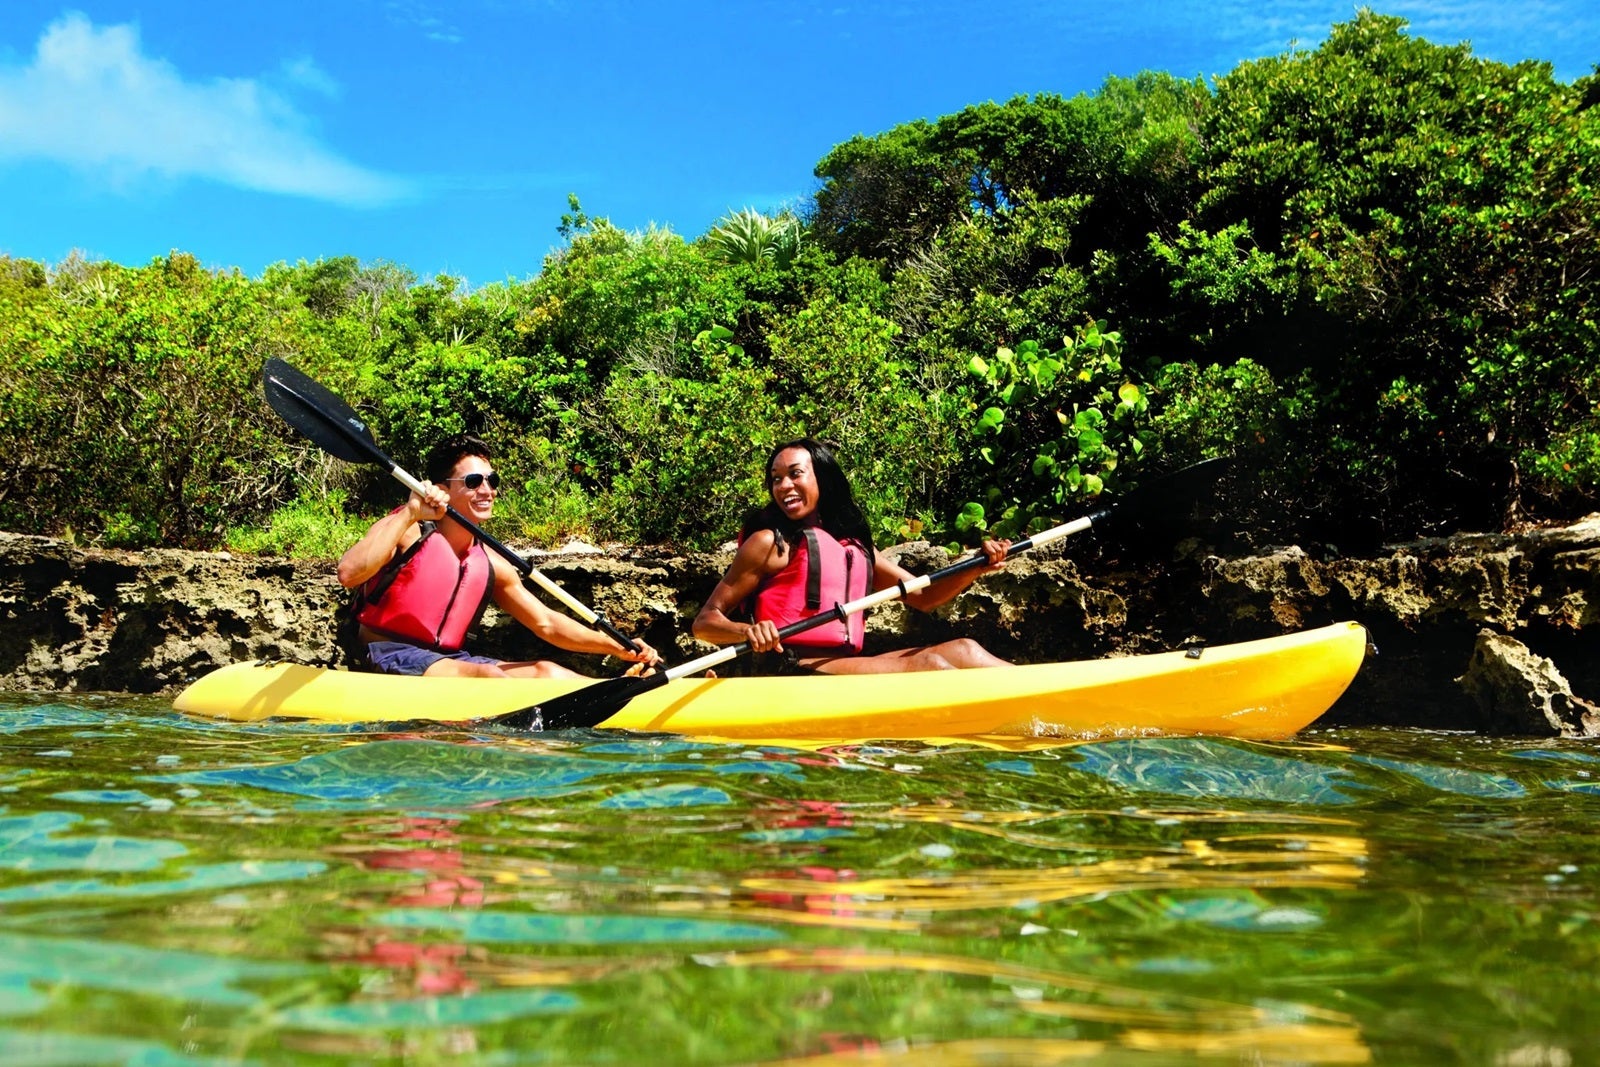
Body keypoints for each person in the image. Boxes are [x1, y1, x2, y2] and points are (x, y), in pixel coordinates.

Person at [337, 433, 659, 678]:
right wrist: (410, 513)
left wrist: (618, 647)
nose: (487, 490)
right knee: (489, 677)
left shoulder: (489, 562)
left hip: (449, 664)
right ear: (442, 488)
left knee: (546, 673)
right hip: (383, 655)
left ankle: (617, 697)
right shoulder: (406, 530)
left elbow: (546, 623)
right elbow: (349, 573)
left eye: (492, 480)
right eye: (474, 481)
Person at [693, 438, 1013, 674]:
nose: (783, 485)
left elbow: (925, 594)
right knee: (930, 666)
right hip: (789, 668)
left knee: (965, 650)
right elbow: (705, 622)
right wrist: (747, 632)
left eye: (795, 474)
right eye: (776, 478)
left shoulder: (854, 547)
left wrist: (976, 566)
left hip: (839, 664)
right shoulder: (769, 544)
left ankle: (1041, 695)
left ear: (822, 479)